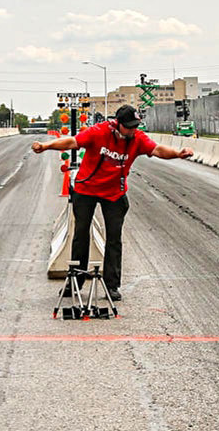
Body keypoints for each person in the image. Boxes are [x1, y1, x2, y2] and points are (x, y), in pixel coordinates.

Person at [31, 103, 194, 303]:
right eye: (129, 126)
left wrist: (178, 153)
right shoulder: (98, 132)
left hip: (114, 193)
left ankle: (112, 285)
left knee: (114, 239)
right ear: (118, 124)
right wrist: (46, 146)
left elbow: (158, 150)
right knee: (80, 235)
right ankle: (76, 280)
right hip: (87, 189)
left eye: (136, 126)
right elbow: (72, 142)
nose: (133, 130)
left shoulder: (137, 139)